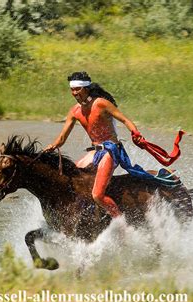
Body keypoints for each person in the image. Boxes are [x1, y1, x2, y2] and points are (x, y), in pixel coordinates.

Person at [44, 71, 144, 218]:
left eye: (77, 89)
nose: (74, 93)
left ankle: (121, 223)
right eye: (72, 90)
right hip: (95, 152)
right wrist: (51, 147)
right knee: (71, 180)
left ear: (86, 88)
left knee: (97, 195)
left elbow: (125, 120)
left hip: (111, 150)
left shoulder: (101, 103)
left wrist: (135, 133)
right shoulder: (75, 111)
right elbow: (62, 138)